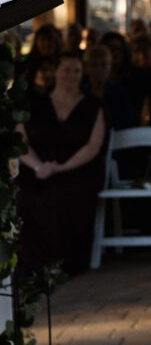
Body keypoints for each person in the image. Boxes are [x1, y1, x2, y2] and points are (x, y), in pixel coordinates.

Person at [16, 53, 106, 277]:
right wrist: (39, 167)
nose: (70, 75)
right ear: (55, 73)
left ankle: (64, 263)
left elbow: (93, 147)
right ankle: (37, 263)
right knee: (24, 197)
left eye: (76, 71)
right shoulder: (33, 103)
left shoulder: (93, 106)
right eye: (66, 70)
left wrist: (61, 168)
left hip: (78, 171)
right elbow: (20, 142)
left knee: (67, 196)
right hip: (37, 170)